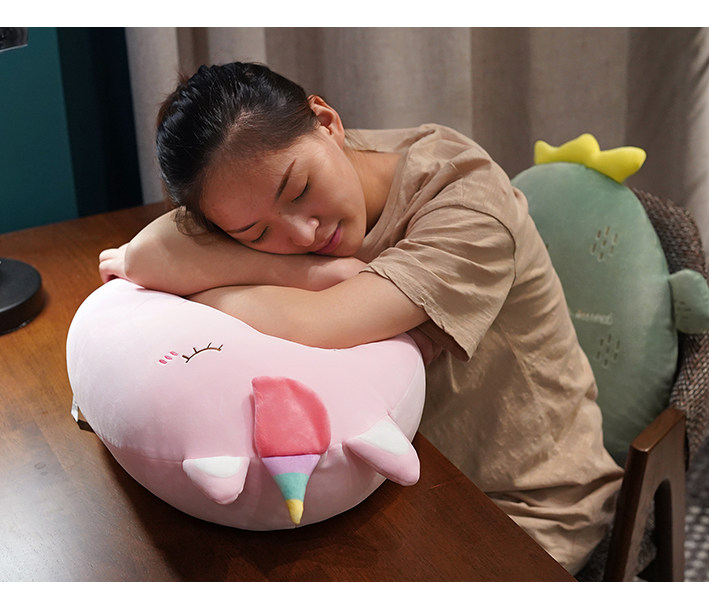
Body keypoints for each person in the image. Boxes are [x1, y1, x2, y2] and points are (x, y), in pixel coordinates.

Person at [99, 62, 623, 574]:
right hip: (394, 479)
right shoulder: (274, 167)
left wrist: (210, 290)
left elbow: (319, 325)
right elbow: (153, 252)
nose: (302, 234)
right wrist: (306, 272)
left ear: (327, 122)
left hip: (526, 505)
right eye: (256, 233)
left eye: (299, 190)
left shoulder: (467, 202)